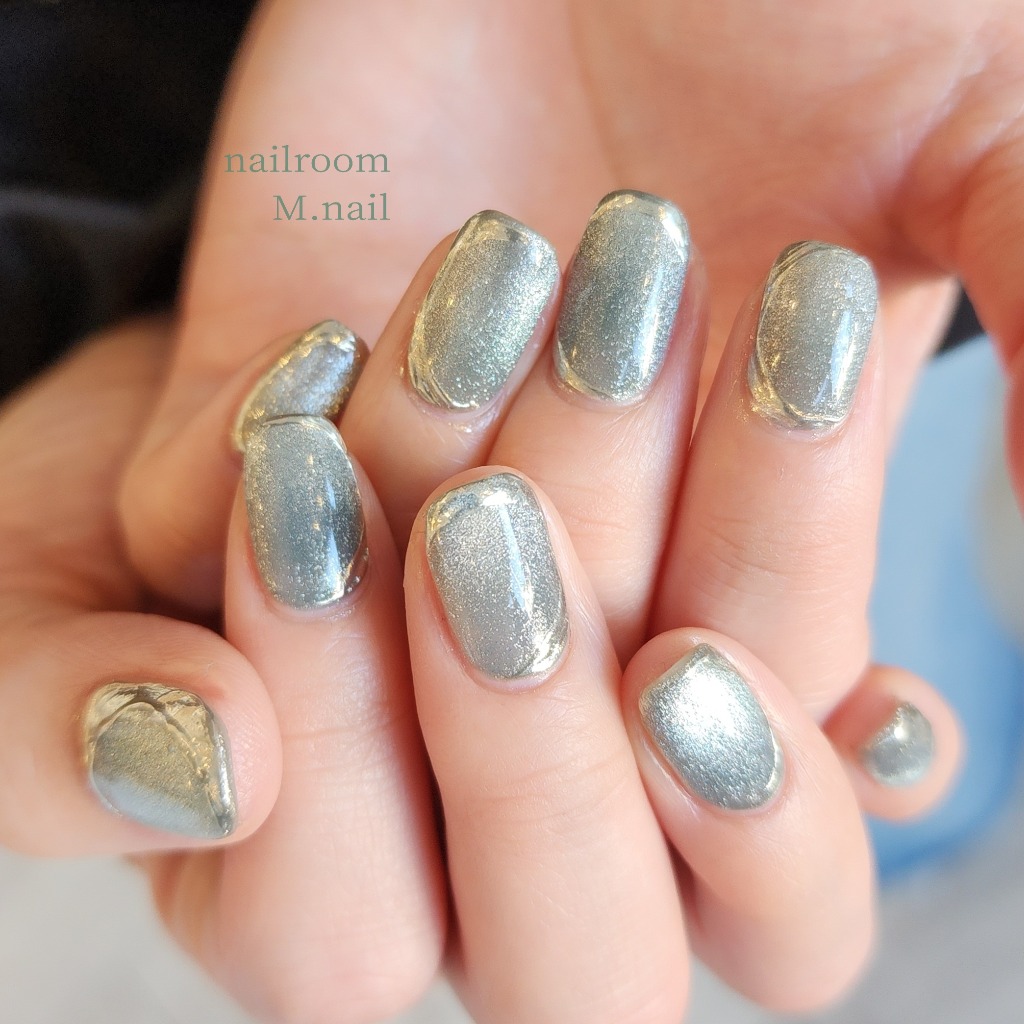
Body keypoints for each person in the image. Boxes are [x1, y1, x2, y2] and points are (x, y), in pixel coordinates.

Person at [6, 0, 1022, 1020]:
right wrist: (93, 325)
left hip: (841, 300)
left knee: (864, 763)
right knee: (851, 748)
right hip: (807, 386)